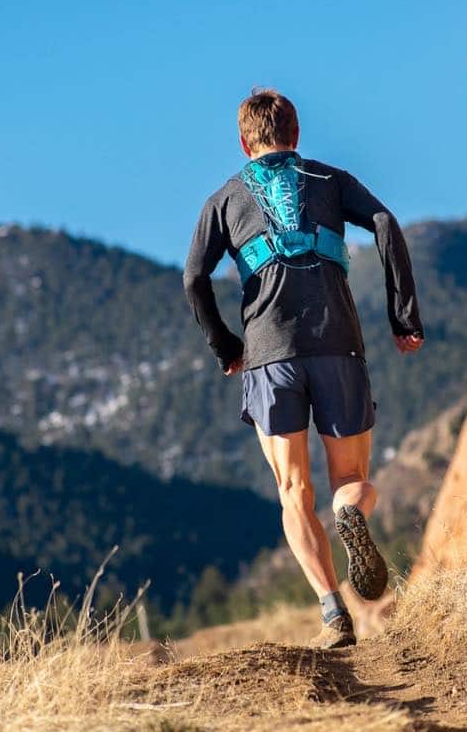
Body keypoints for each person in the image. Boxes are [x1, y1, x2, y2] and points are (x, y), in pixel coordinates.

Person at [184, 89, 423, 649]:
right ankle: (351, 514)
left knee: (293, 489)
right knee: (350, 482)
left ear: (244, 141)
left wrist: (227, 347)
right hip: (338, 344)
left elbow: (194, 278)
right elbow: (385, 223)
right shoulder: (329, 179)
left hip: (269, 355)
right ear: (295, 134)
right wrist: (402, 315)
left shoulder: (223, 198)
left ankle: (333, 613)